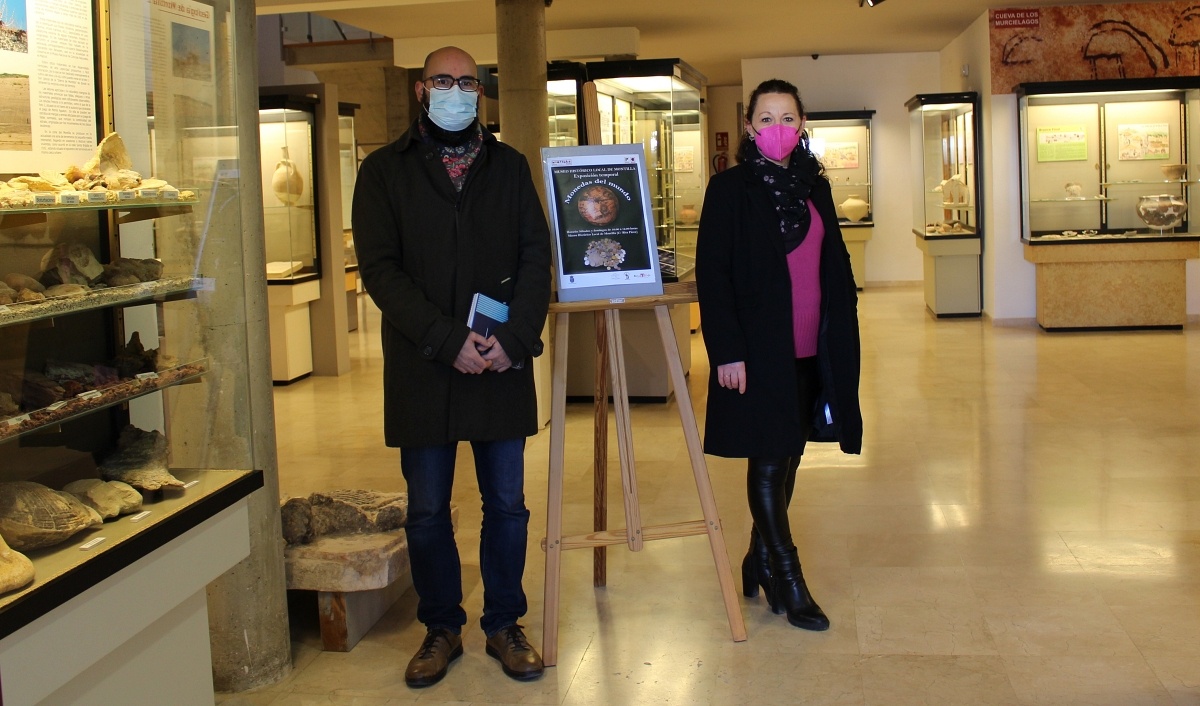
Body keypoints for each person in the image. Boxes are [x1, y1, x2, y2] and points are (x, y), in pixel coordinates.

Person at [351, 46, 551, 686]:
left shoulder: (510, 167)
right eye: (444, 81)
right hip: (424, 364)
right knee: (428, 509)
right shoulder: (384, 171)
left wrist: (515, 338)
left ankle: (503, 624)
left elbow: (534, 258)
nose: (456, 92)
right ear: (421, 90)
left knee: (508, 505)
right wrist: (445, 339)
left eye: (468, 83)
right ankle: (440, 628)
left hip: (500, 364)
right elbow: (381, 270)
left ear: (480, 94)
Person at [695, 79, 863, 632]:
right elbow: (713, 278)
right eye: (765, 119)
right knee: (767, 460)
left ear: (802, 124)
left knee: (789, 455)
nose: (776, 129)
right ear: (748, 127)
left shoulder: (815, 187)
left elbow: (831, 262)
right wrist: (727, 352)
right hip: (758, 350)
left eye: (787, 118)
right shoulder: (729, 189)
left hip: (811, 346)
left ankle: (757, 557)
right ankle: (786, 576)